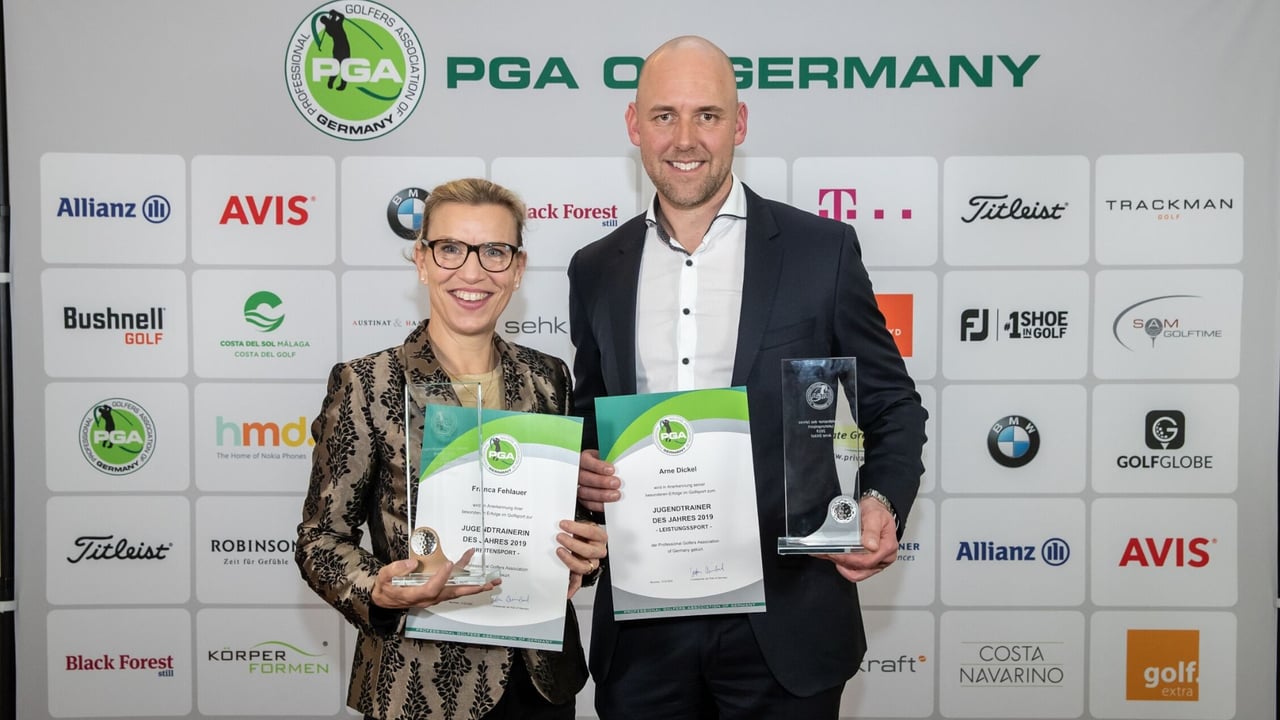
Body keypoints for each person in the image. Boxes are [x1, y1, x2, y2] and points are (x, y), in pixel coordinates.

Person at [569, 36, 927, 719]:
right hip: (643, 630)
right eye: (664, 115)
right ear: (633, 125)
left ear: (739, 123)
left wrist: (882, 498)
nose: (685, 138)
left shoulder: (821, 250)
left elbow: (892, 405)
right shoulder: (596, 267)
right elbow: (591, 411)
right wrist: (582, 469)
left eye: (707, 115)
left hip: (787, 619)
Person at [297, 178, 608, 720]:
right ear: (422, 261)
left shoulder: (549, 378)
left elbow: (567, 519)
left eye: (494, 251)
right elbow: (320, 540)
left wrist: (585, 550)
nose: (472, 271)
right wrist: (379, 590)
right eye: (450, 249)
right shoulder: (368, 383)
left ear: (517, 268)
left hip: (537, 682)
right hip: (416, 681)